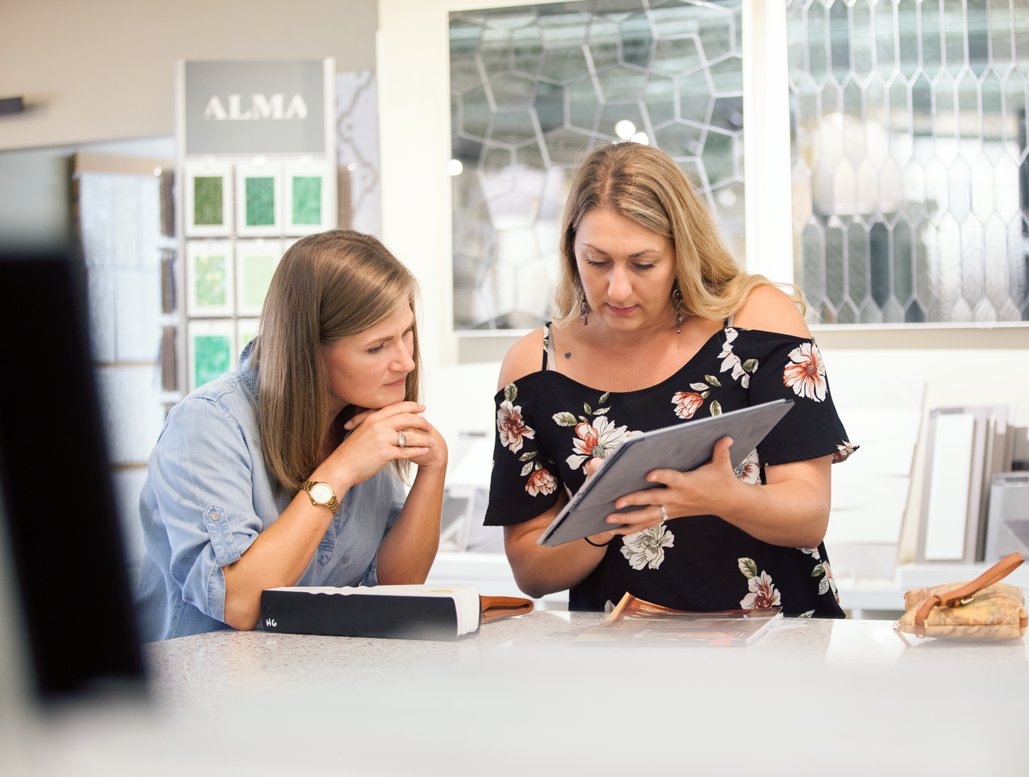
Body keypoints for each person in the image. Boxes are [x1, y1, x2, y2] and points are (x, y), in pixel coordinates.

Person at [484, 142, 856, 618]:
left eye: (643, 264)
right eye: (597, 262)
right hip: (625, 666)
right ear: (569, 248)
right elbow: (532, 573)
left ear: (683, 252)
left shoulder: (756, 324)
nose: (618, 289)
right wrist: (599, 520)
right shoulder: (535, 368)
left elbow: (809, 515)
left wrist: (725, 497)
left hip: (777, 648)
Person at [136, 230, 448, 641]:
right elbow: (242, 602)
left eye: (407, 333)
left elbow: (396, 587)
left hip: (301, 690)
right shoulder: (207, 425)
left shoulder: (363, 424)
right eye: (377, 347)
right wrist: (339, 471)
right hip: (197, 694)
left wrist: (433, 469)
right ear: (308, 352)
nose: (406, 362)